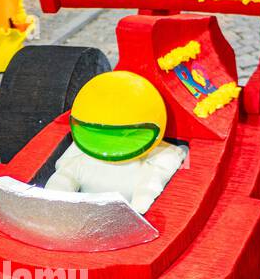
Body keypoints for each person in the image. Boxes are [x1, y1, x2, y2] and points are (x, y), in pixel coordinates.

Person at [45, 71, 183, 215]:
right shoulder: (81, 158)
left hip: (124, 218)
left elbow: (148, 188)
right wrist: (53, 202)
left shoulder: (157, 159)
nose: (112, 145)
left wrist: (138, 210)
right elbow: (63, 177)